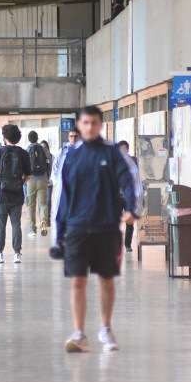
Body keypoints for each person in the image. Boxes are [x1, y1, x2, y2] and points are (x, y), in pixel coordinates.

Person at [55, 107, 136, 353]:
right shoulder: (70, 156)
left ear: (101, 125)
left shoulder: (113, 154)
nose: (90, 127)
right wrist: (59, 234)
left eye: (94, 123)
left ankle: (106, 328)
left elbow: (131, 181)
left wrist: (133, 208)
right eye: (85, 123)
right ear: (79, 125)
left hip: (107, 227)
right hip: (77, 228)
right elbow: (61, 196)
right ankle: (79, 334)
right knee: (77, 280)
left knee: (106, 280)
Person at [0, 123, 31, 264]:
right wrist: (19, 181)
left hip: (1, 195)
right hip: (17, 195)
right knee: (16, 225)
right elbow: (28, 175)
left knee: (1, 226)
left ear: (4, 137)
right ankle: (17, 254)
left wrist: (2, 177)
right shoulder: (23, 153)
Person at [49, 127, 81, 246]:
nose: (73, 139)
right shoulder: (62, 151)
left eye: (75, 136)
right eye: (71, 136)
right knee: (60, 211)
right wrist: (56, 182)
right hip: (62, 187)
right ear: (68, 137)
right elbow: (55, 168)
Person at [116, 140, 143, 253]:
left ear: (128, 149)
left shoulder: (134, 161)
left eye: (124, 149)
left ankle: (127, 245)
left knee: (130, 221)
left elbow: (138, 178)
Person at [25, 130, 52, 237]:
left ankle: (32, 229)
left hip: (30, 179)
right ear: (37, 138)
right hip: (43, 179)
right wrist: (48, 175)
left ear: (29, 139)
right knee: (43, 204)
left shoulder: (27, 149)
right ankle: (44, 225)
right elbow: (50, 161)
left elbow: (24, 166)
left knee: (31, 205)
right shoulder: (43, 148)